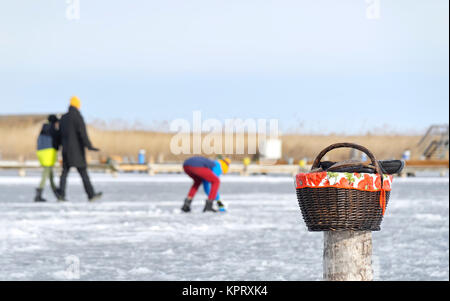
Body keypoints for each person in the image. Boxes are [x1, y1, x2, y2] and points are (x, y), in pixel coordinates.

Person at [57, 96, 102, 202]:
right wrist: (89, 146)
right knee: (83, 173)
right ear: (77, 105)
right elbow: (83, 133)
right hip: (77, 151)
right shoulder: (77, 117)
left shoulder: (63, 118)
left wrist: (58, 146)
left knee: (64, 173)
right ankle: (91, 195)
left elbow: (59, 135)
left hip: (66, 151)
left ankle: (61, 195)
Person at [34, 115, 60, 202]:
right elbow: (56, 142)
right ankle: (39, 193)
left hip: (41, 153)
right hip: (49, 153)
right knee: (46, 172)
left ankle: (56, 193)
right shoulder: (52, 129)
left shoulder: (43, 128)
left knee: (49, 173)